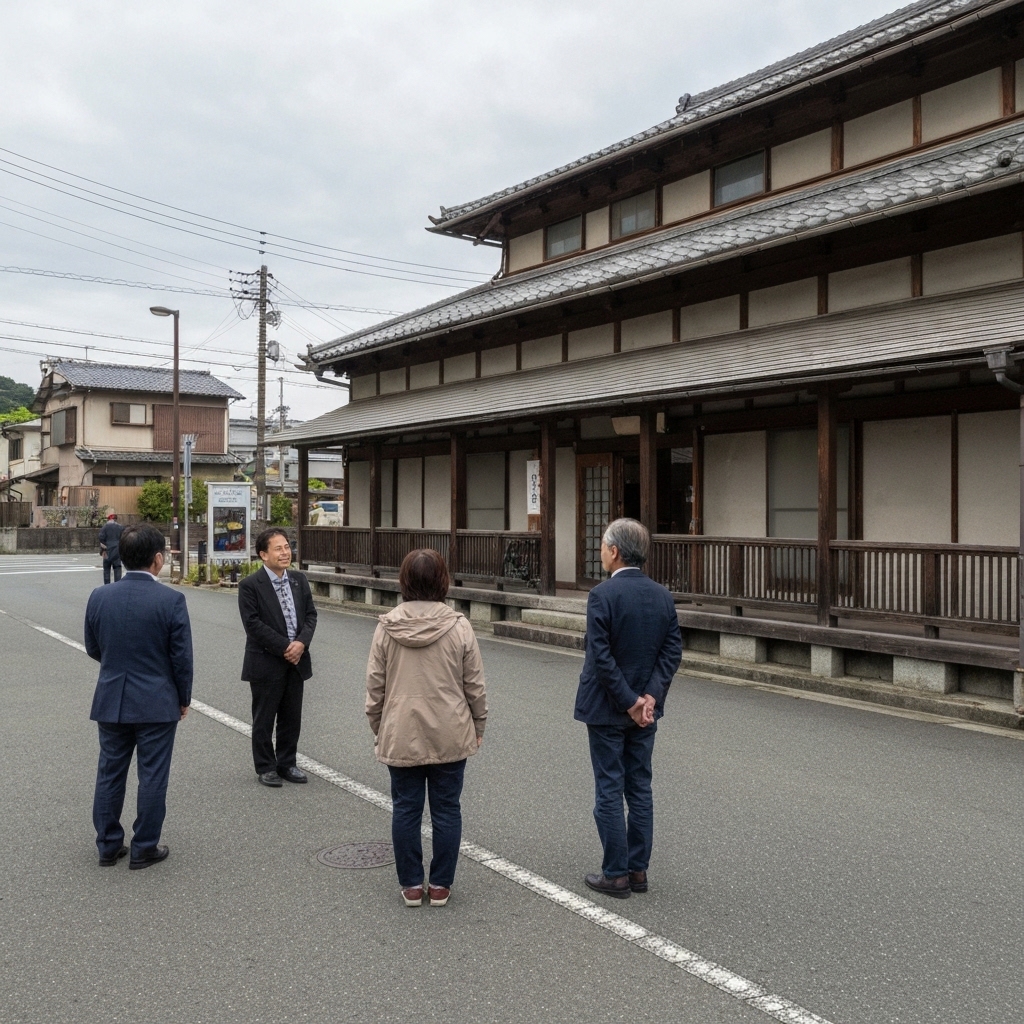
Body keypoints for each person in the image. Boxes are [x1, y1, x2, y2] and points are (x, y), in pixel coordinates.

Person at [366, 548, 487, 908]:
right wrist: (478, 724)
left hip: (401, 729)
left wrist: (380, 725)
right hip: (451, 730)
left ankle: (411, 885)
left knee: (406, 808)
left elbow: (376, 687)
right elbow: (474, 686)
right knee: (447, 808)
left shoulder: (387, 626)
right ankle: (441, 885)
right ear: (442, 581)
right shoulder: (459, 626)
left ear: (404, 581)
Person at [575, 518, 682, 899]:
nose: (601, 551)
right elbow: (672, 652)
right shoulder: (662, 596)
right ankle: (638, 871)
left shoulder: (602, 595)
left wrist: (630, 701)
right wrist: (649, 697)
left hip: (607, 708)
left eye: (603, 545)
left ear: (615, 551)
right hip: (645, 712)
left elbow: (600, 656)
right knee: (639, 788)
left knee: (608, 787)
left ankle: (615, 874)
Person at [84, 523, 192, 870]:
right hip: (157, 700)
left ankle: (108, 845)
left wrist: (118, 665)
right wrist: (183, 697)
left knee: (110, 772)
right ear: (158, 560)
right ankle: (145, 845)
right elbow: (181, 657)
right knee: (153, 775)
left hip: (111, 695)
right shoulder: (171, 600)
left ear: (123, 557)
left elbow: (93, 646)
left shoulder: (100, 596)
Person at [238, 527, 317, 787]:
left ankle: (287, 763)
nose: (285, 552)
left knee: (291, 716)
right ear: (263, 554)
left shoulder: (298, 580)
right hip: (266, 660)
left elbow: (310, 615)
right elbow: (253, 624)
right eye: (278, 548)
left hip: (296, 660)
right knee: (264, 717)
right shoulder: (250, 586)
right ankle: (265, 766)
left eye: (287, 547)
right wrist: (287, 646)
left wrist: (301, 644)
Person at [97, 511, 124, 584]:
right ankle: (117, 585)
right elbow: (124, 538)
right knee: (117, 568)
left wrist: (103, 549)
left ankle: (107, 586)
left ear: (109, 519)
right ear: (116, 519)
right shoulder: (120, 527)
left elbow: (101, 538)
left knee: (106, 569)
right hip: (117, 550)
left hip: (107, 550)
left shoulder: (105, 527)